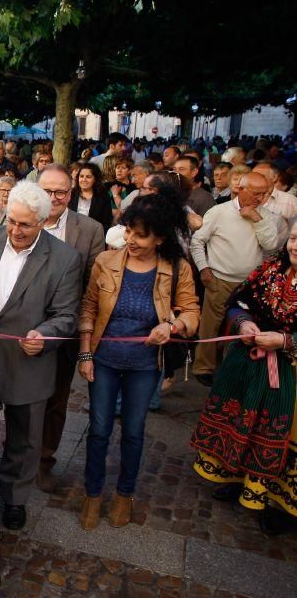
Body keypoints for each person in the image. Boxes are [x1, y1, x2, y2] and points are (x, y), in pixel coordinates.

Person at [0, 181, 82, 530]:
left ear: (42, 221)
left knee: (24, 435)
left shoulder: (65, 259)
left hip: (29, 360)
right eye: (11, 220)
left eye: (25, 224)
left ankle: (14, 497)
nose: (15, 230)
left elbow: (66, 315)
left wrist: (45, 335)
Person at [77, 191, 200, 530]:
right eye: (128, 230)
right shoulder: (106, 261)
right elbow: (88, 308)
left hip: (145, 364)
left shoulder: (177, 268)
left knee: (133, 431)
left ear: (160, 236)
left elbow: (192, 313)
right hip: (104, 359)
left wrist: (171, 325)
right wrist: (86, 353)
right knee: (99, 430)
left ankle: (124, 494)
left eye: (141, 234)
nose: (130, 239)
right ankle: (92, 493)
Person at [191, 221, 297, 535]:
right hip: (249, 364)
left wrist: (285, 342)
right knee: (242, 419)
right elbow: (238, 303)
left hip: (289, 373)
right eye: (293, 238)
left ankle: (281, 503)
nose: (295, 246)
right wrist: (244, 324)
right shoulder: (269, 270)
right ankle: (236, 479)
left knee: (282, 434)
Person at [36, 165, 106, 492]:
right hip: (18, 330)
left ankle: (44, 460)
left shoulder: (90, 230)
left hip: (63, 333)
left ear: (71, 193)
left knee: (55, 399)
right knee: (14, 397)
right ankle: (14, 455)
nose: (53, 198)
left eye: (61, 192)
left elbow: (92, 288)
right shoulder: (19, 219)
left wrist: (84, 338)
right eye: (47, 191)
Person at [190, 171, 289, 386]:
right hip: (219, 278)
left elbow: (271, 246)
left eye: (264, 194)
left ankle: (229, 368)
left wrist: (256, 219)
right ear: (240, 189)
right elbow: (197, 241)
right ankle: (203, 366)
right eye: (255, 193)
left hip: (251, 283)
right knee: (210, 324)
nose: (260, 198)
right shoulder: (218, 212)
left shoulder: (267, 215)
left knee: (242, 326)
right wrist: (204, 268)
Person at [70, 162, 113, 232]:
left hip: (94, 235)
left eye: (88, 177)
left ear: (95, 179)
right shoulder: (71, 194)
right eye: (81, 176)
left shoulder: (103, 197)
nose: (84, 180)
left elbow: (106, 222)